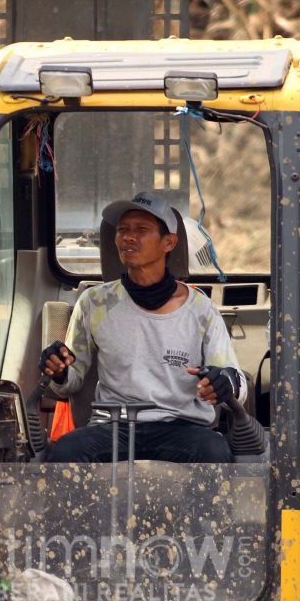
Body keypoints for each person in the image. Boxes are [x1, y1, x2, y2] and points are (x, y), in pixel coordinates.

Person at [41, 192, 261, 464]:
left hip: (181, 427)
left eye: (141, 230)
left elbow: (236, 383)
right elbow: (70, 382)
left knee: (214, 453)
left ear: (169, 242)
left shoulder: (201, 310)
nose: (128, 237)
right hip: (112, 426)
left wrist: (223, 381)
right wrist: (60, 372)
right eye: (123, 230)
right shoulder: (94, 303)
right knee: (64, 453)